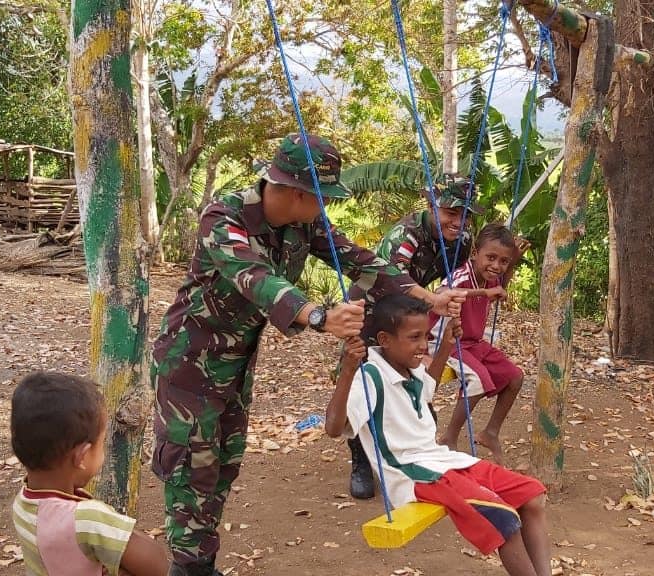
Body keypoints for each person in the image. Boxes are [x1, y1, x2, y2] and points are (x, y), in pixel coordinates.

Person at [151, 133, 464, 576]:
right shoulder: (225, 216)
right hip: (188, 363)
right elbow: (255, 277)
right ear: (299, 193)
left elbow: (361, 261)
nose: (327, 208)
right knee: (191, 471)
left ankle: (201, 563)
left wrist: (425, 297)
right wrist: (318, 316)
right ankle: (189, 567)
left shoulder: (305, 224)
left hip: (235, 362)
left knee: (223, 465)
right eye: (323, 198)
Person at [325, 295, 551, 576]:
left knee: (532, 495)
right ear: (385, 339)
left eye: (426, 336)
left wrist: (445, 344)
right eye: (414, 337)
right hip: (412, 473)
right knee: (502, 516)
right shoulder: (368, 376)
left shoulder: (408, 365)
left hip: (443, 461)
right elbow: (333, 429)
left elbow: (427, 388)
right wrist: (347, 371)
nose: (422, 345)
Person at [341, 173, 476, 500]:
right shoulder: (406, 235)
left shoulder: (462, 241)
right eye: (450, 212)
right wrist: (432, 302)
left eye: (466, 214)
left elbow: (450, 278)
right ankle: (360, 458)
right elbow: (391, 281)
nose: (458, 221)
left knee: (411, 380)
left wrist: (441, 300)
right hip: (371, 307)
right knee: (363, 380)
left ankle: (413, 451)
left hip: (411, 310)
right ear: (432, 205)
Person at [10, 371, 170, 576]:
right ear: (82, 457)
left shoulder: (22, 504)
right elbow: (157, 564)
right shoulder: (86, 519)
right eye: (101, 443)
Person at [432, 223, 525, 464]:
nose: (496, 266)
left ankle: (490, 432)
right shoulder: (462, 276)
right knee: (478, 379)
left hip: (473, 341)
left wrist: (512, 263)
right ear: (475, 253)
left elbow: (500, 287)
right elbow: (442, 294)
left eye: (503, 261)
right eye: (491, 258)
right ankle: (448, 437)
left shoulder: (492, 278)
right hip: (447, 341)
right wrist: (482, 294)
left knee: (515, 376)